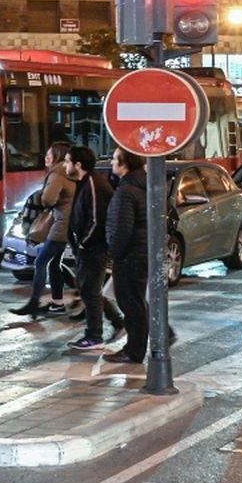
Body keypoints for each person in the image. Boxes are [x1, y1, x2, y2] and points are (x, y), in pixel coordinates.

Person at [65, 145, 123, 352]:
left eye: (67, 161)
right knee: (89, 288)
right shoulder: (85, 182)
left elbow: (98, 218)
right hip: (88, 247)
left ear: (77, 165)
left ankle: (94, 335)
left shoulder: (93, 183)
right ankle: (116, 322)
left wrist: (84, 242)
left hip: (93, 247)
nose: (65, 165)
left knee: (90, 290)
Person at [14, 142, 74, 317]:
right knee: (55, 263)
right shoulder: (69, 172)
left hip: (60, 224)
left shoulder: (57, 173)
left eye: (49, 154)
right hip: (67, 223)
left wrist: (41, 198)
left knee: (41, 262)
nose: (46, 157)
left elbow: (48, 199)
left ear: (57, 155)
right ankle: (57, 303)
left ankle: (34, 303)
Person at [103, 150, 149, 363]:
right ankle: (136, 347)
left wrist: (114, 253)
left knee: (131, 304)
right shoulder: (146, 185)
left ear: (124, 164)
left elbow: (122, 228)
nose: (111, 162)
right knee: (137, 303)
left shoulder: (126, 190)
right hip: (142, 251)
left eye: (114, 159)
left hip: (130, 255)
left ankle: (134, 350)